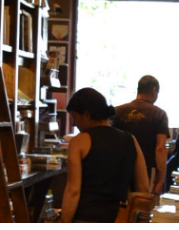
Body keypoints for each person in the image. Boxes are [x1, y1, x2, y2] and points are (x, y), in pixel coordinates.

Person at [61, 88, 150, 223]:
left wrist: (64, 223)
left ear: (86, 114)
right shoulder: (131, 140)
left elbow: (73, 191)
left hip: (85, 218)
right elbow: (143, 189)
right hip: (120, 218)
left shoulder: (78, 142)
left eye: (74, 117)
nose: (74, 123)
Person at [113, 76, 170, 194]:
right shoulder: (159, 114)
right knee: (144, 208)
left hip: (119, 170)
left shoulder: (117, 111)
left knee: (123, 208)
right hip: (147, 171)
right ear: (154, 90)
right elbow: (160, 148)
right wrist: (161, 180)